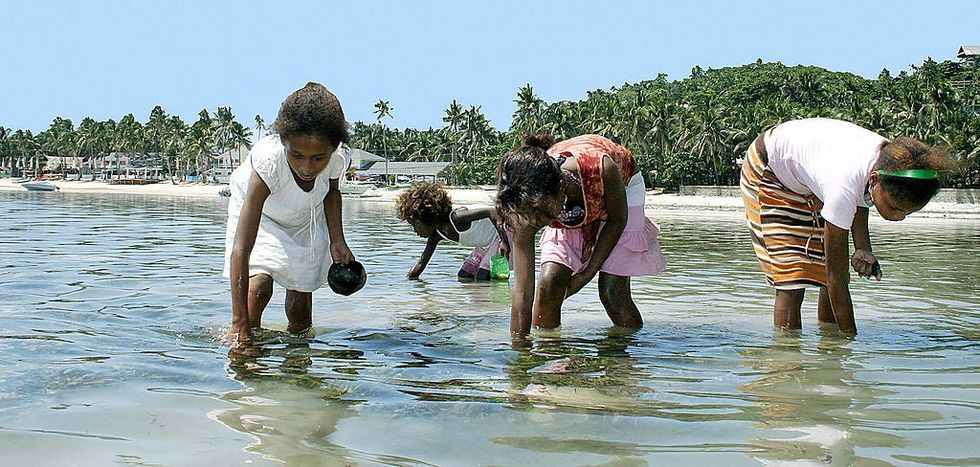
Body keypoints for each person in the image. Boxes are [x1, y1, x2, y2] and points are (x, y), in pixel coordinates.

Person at [740, 117, 952, 334]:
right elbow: (836, 278)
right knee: (793, 280)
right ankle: (787, 355)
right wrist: (850, 340)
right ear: (874, 180)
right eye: (894, 207)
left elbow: (860, 196)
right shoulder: (842, 185)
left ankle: (828, 336)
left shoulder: (894, 161)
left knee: (826, 276)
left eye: (907, 213)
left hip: (814, 176)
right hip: (769, 168)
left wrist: (863, 249)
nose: (898, 218)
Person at [223, 82, 355, 351]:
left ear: (333, 149)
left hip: (306, 213)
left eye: (318, 158)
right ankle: (246, 354)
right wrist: (239, 324)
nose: (307, 167)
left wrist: (337, 240)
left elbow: (331, 192)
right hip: (262, 215)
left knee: (301, 297)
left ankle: (298, 362)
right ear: (284, 143)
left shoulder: (338, 159)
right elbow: (241, 248)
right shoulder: (268, 163)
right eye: (296, 155)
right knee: (259, 288)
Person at [496, 134, 666, 337]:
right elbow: (522, 292)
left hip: (622, 190)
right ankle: (551, 353)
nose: (536, 223)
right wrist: (520, 353)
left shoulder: (602, 169)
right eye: (531, 218)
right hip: (570, 204)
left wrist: (586, 275)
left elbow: (617, 220)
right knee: (549, 286)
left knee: (611, 292)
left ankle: (625, 356)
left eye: (544, 216)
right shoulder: (530, 206)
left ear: (561, 189)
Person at [397, 182, 511, 280]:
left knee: (483, 275)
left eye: (415, 225)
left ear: (425, 217)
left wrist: (504, 241)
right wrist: (407, 283)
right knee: (464, 275)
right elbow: (421, 263)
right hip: (485, 243)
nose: (415, 231)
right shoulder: (436, 235)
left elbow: (492, 212)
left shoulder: (457, 217)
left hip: (504, 233)